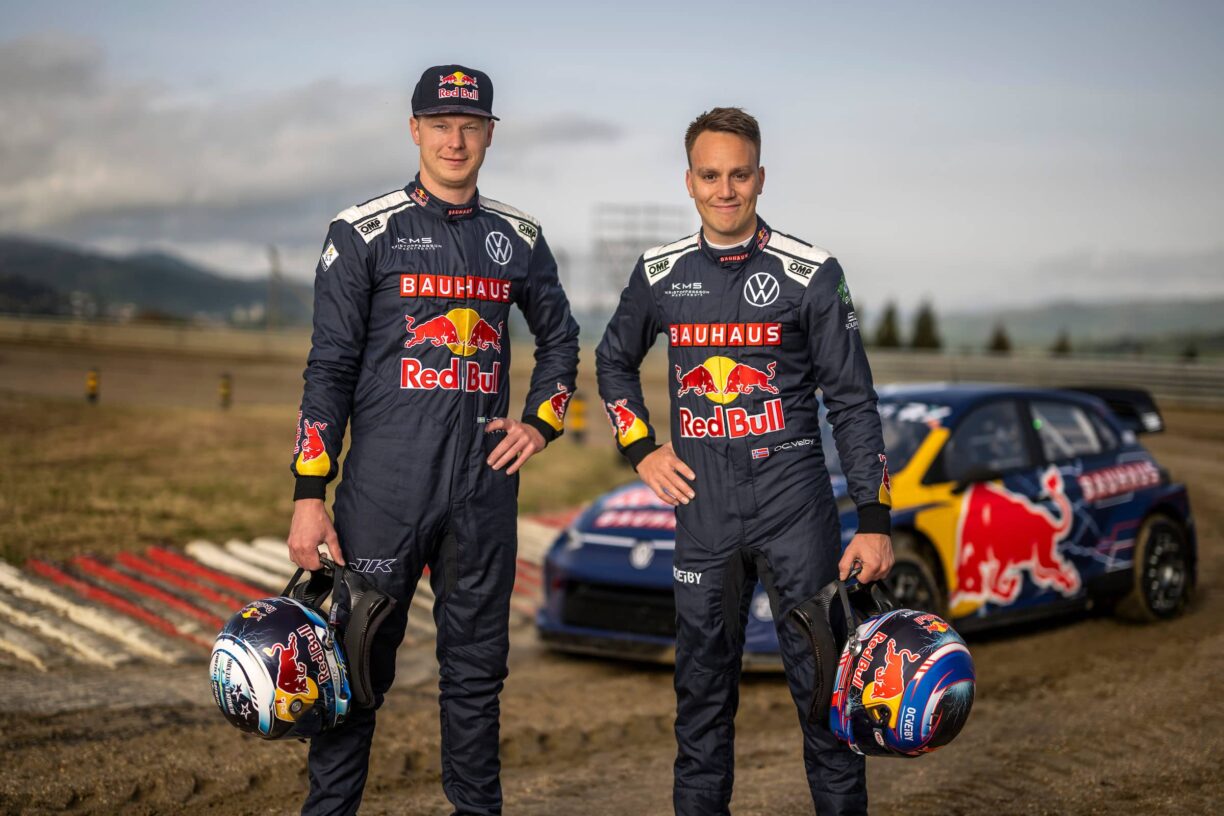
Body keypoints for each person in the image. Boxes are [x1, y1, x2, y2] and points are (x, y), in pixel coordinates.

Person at [286, 63, 580, 816]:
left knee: (477, 677)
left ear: (488, 134)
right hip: (383, 490)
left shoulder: (519, 239)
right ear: (415, 129)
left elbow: (561, 341)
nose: (456, 139)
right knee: (351, 668)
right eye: (441, 124)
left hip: (482, 495)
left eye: (472, 124)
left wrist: (541, 423)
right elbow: (328, 369)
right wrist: (308, 495)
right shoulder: (361, 231)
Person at [596, 107, 893, 815]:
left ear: (760, 177)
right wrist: (641, 448)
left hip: (796, 509)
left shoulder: (811, 272)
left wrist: (876, 520)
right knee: (700, 703)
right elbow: (612, 363)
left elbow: (853, 401)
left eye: (738, 174)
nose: (725, 190)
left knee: (827, 696)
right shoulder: (660, 273)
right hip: (703, 510)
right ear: (689, 182)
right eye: (710, 175)